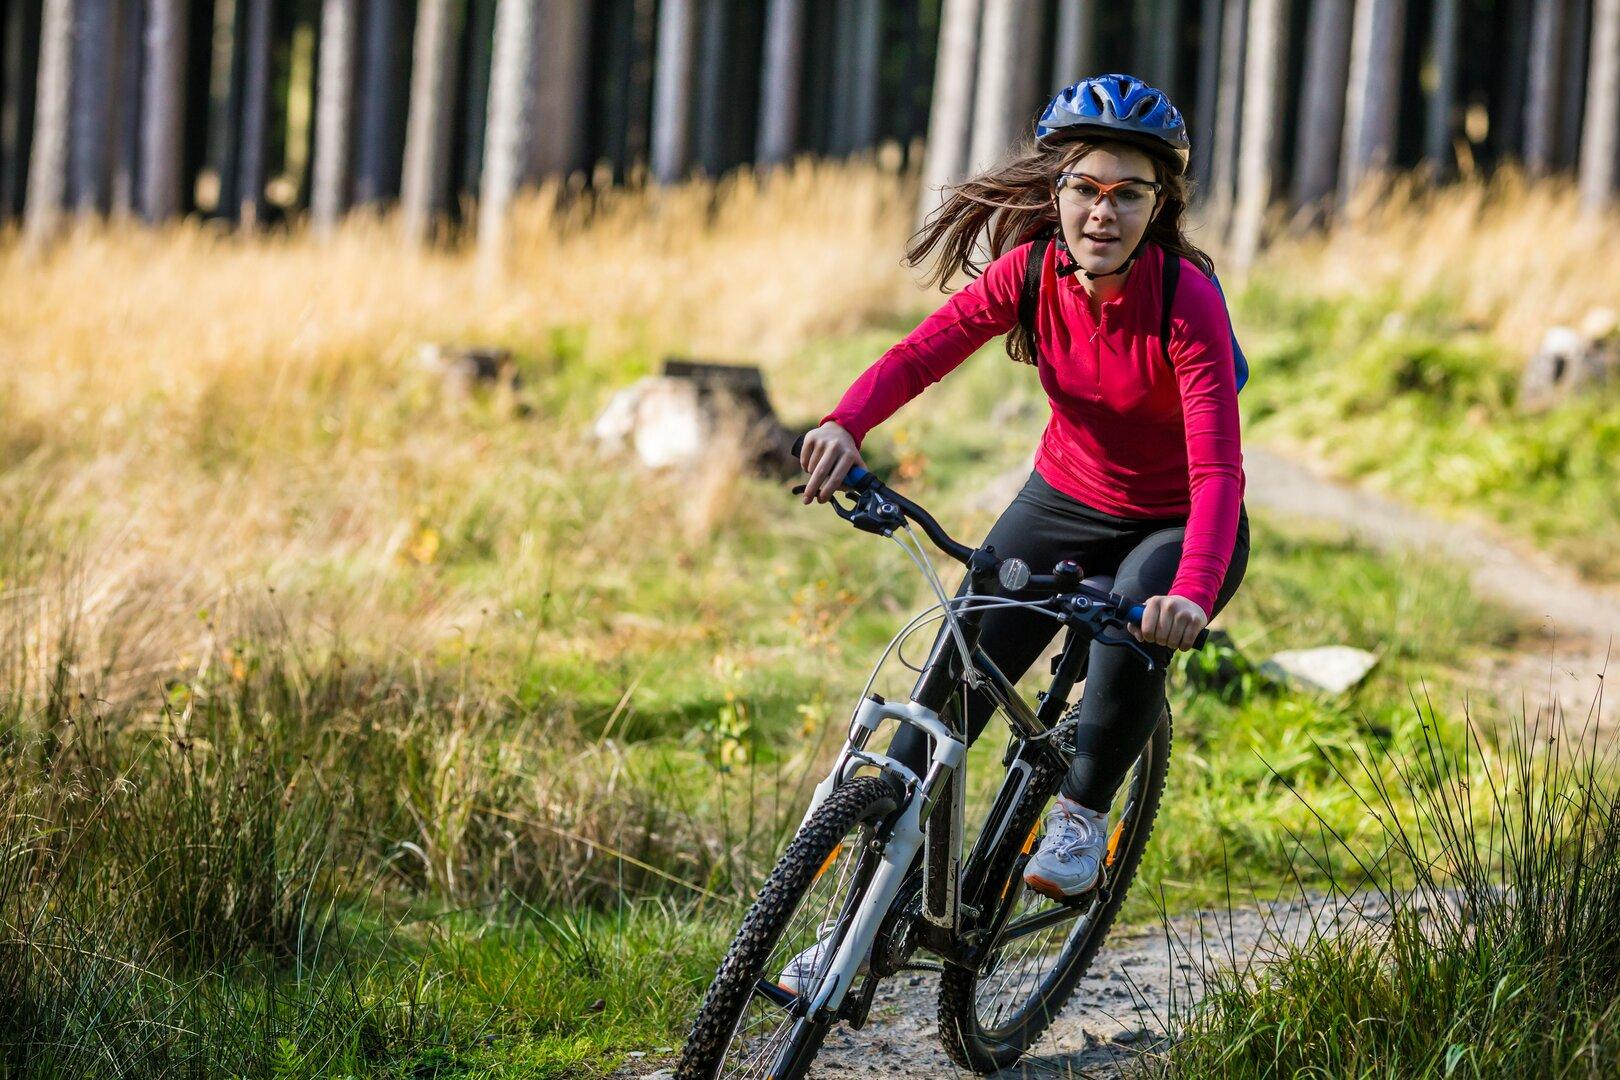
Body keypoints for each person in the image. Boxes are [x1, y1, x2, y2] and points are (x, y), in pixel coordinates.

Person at [797, 73, 1249, 901]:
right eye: (1084, 188)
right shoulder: (1031, 271)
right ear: (1057, 190)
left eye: (1127, 194)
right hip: (1064, 496)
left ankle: (1080, 815)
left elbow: (1219, 468)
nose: (1102, 213)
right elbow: (921, 354)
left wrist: (1190, 591)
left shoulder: (1186, 301)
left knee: (1132, 629)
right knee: (944, 697)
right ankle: (850, 927)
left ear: (1161, 205)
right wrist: (844, 423)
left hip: (1176, 520)